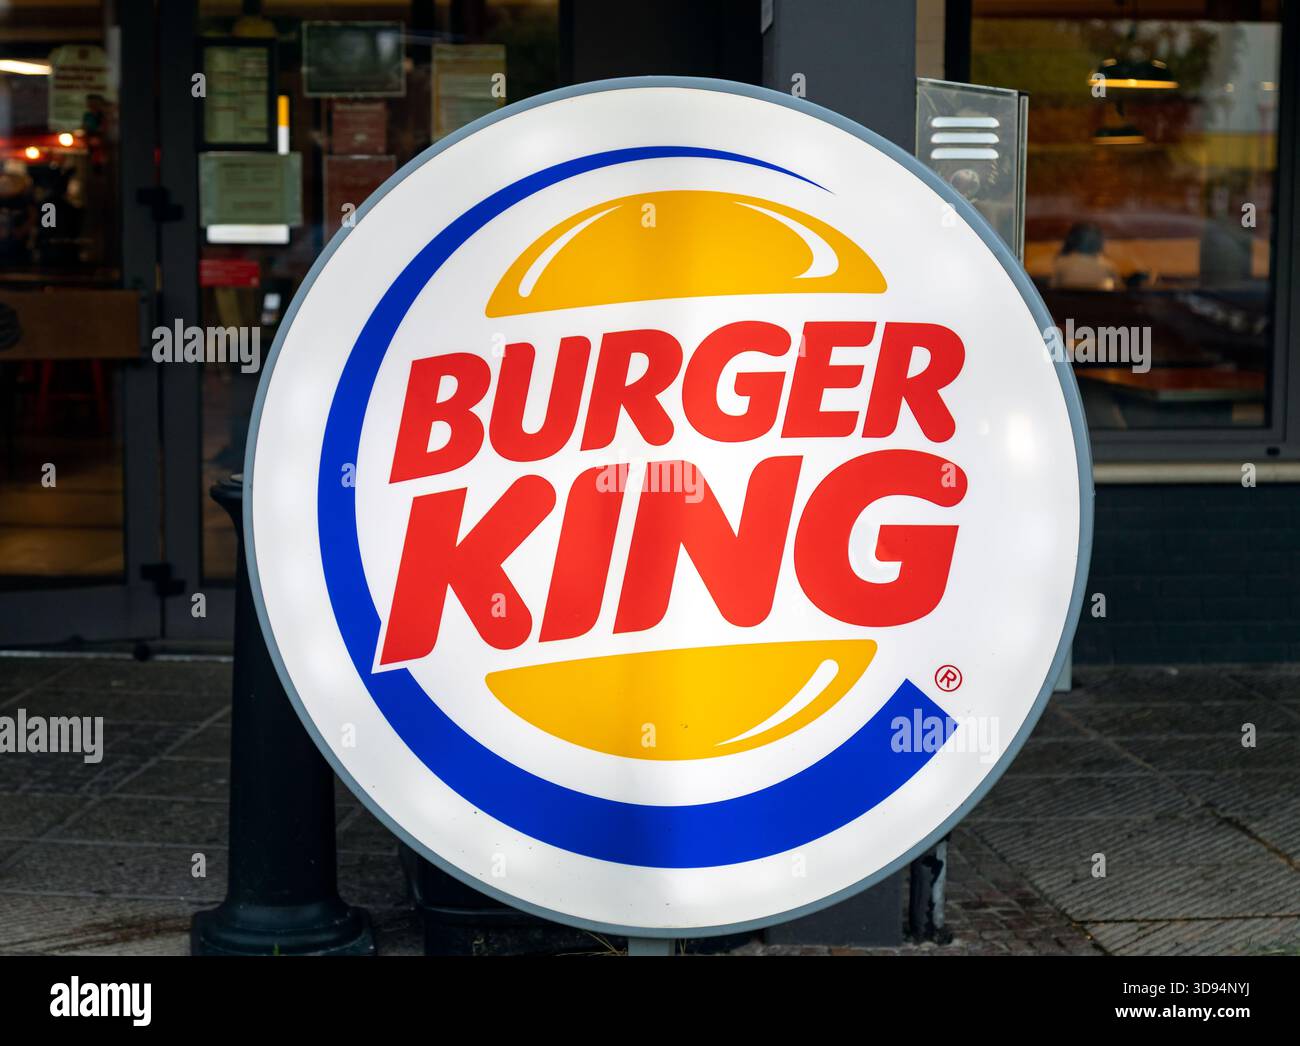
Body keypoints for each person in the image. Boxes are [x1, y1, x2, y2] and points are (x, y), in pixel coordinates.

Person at [1051, 222, 1121, 291]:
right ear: (1100, 243)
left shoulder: (1061, 264)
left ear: (1071, 241)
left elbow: (1052, 289)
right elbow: (1120, 290)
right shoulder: (1107, 266)